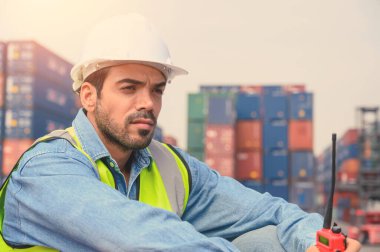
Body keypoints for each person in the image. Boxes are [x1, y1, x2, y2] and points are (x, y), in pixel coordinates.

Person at [0, 14, 361, 252]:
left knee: (272, 240)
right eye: (129, 88)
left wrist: (317, 239)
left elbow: (269, 210)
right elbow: (140, 239)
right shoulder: (47, 169)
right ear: (89, 96)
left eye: (157, 89)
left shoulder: (171, 166)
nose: (149, 103)